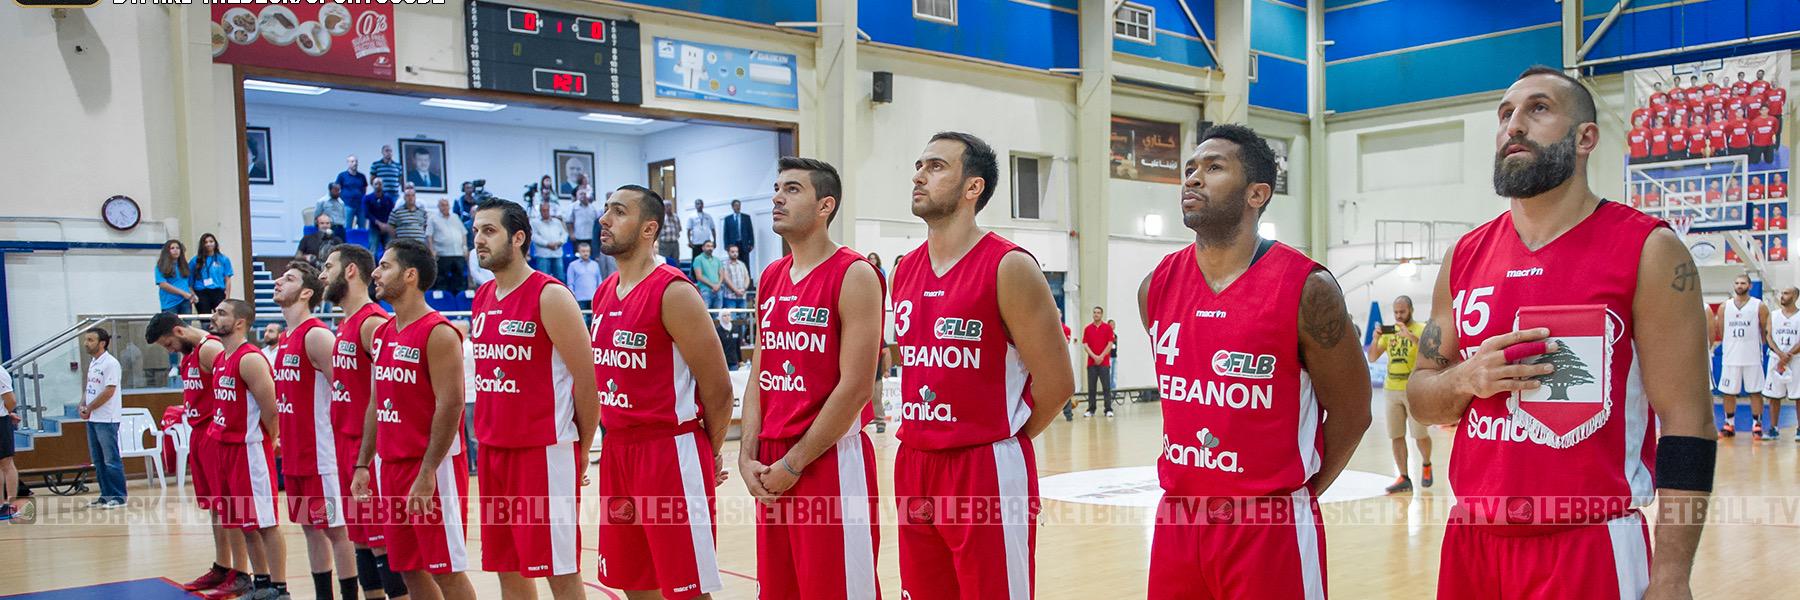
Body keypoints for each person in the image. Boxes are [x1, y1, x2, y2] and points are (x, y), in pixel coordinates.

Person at [1407, 66, 1713, 599]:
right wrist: (1465, 379)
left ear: (1585, 137)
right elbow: (1422, 397)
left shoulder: (1649, 249)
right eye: (1505, 115)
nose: (1514, 126)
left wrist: (1670, 577)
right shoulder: (1464, 256)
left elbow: (1688, 424)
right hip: (1471, 539)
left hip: (1590, 543)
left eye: (1538, 109)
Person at [1136, 124, 1371, 600]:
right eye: (1190, 169)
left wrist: (1296, 495)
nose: (1193, 179)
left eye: (1214, 167)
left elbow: (1352, 411)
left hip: (1268, 524)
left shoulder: (1309, 288)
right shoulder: (1156, 285)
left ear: (1257, 194)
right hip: (1178, 519)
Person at [891, 132, 1075, 599]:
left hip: (982, 464)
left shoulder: (1009, 266)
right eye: (919, 164)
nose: (919, 174)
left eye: (935, 166)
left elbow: (1057, 383)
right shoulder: (904, 269)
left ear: (973, 188)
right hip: (914, 460)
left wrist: (1001, 441)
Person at [737, 156, 883, 599]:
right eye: (777, 188)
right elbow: (759, 371)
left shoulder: (854, 273)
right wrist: (747, 455)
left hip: (829, 461)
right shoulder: (770, 276)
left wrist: (794, 463)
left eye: (793, 189)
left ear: (825, 206)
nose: (777, 197)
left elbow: (856, 387)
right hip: (774, 463)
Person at [589, 184, 734, 599]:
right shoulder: (603, 294)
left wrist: (710, 449)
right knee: (634, 582)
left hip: (668, 453)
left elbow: (719, 388)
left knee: (685, 588)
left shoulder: (674, 291)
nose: (605, 219)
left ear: (649, 228)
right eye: (606, 210)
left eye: (619, 212)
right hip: (618, 450)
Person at [465, 198, 600, 599]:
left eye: (489, 231)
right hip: (492, 451)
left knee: (559, 570)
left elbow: (587, 381)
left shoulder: (550, 295)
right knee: (508, 569)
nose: (479, 241)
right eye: (475, 232)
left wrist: (583, 446)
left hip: (543, 453)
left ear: (519, 237)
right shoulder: (483, 297)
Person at [349, 239, 478, 600]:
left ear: (409, 275)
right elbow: (376, 401)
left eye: (384, 266)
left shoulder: (438, 332)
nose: (375, 272)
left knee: (447, 571)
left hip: (431, 471)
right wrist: (363, 464)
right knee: (407, 568)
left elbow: (451, 406)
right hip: (389, 466)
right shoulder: (383, 333)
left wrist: (425, 474)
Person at [319, 245, 411, 600]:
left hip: (367, 449)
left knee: (381, 543)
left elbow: (390, 389)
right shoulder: (345, 324)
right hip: (345, 444)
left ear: (351, 271)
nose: (323, 274)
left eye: (329, 266)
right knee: (359, 539)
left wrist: (368, 455)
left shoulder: (373, 323)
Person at [270, 262, 362, 600]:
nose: (279, 281)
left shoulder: (317, 335)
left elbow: (347, 392)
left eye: (289, 279)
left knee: (337, 530)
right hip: (295, 454)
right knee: (310, 529)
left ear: (307, 293)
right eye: (281, 278)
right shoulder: (285, 338)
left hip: (322, 454)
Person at [147, 311, 254, 596]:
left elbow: (233, 389)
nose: (169, 350)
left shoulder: (210, 349)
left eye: (168, 344)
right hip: (198, 433)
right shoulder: (190, 354)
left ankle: (241, 573)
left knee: (229, 506)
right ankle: (222, 565)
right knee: (216, 507)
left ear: (179, 332)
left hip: (214, 433)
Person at [209, 299, 292, 600]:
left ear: (240, 322)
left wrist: (270, 441)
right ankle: (262, 583)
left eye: (221, 313)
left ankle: (280, 589)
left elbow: (272, 409)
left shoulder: (250, 359)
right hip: (225, 449)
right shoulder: (221, 358)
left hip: (249, 449)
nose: (214, 317)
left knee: (265, 523)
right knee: (245, 524)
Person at [1365, 296, 1433, 494]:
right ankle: (1404, 477)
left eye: (1402, 312)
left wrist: (1410, 336)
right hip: (1391, 388)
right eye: (1395, 312)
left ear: (1411, 309)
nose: (1398, 316)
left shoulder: (1421, 329)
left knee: (1420, 435)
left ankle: (1426, 464)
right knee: (1396, 435)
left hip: (1414, 388)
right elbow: (1372, 357)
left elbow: (1430, 352)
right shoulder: (1391, 331)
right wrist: (1376, 338)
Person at [78, 327, 127, 508]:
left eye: (90, 340)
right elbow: (90, 387)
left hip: (107, 419)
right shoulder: (93, 362)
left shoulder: (110, 363)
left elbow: (109, 391)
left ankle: (119, 496)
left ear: (102, 343)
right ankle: (105, 495)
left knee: (110, 459)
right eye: (86, 339)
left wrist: (90, 407)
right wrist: (83, 403)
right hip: (93, 418)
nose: (86, 343)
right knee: (98, 460)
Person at [1714, 275, 1767, 435]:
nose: (1739, 285)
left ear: (1750, 286)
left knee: (1755, 391)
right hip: (1731, 357)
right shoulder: (1725, 306)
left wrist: (1759, 345)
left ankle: (1756, 424)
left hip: (1752, 357)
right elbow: (1721, 330)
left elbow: (1764, 329)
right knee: (1728, 392)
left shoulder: (1759, 306)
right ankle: (1729, 424)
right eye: (1736, 283)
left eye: (1743, 283)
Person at [1079, 306, 1116, 418]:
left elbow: (1110, 344)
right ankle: (1091, 409)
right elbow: (1085, 344)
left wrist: (1101, 356)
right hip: (1092, 364)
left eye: (1098, 313)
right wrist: (1094, 356)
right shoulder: (1087, 329)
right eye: (1094, 312)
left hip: (1104, 363)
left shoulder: (1107, 328)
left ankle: (1108, 409)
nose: (1096, 314)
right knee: (1091, 388)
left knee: (1106, 387)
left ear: (1101, 314)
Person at [427, 198, 469, 293]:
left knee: (459, 280)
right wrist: (432, 250)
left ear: (449, 206)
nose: (444, 207)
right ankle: (444, 302)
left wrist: (465, 247)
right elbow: (429, 236)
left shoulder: (455, 217)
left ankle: (458, 302)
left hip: (458, 253)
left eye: (446, 205)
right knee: (442, 281)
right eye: (442, 205)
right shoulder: (433, 218)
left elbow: (463, 233)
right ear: (438, 207)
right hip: (443, 254)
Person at [191, 233, 235, 314]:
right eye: (206, 242)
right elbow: (190, 280)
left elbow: (227, 279)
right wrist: (193, 294)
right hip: (201, 292)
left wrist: (227, 297)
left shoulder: (223, 259)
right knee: (205, 319)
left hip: (218, 291)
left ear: (215, 243)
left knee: (220, 317)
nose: (208, 244)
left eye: (211, 241)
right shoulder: (195, 260)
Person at [158, 239, 200, 314]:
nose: (175, 250)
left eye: (178, 248)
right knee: (171, 325)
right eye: (172, 248)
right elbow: (163, 284)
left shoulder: (184, 266)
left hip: (185, 302)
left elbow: (187, 284)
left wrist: (193, 295)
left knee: (186, 325)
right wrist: (183, 293)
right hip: (170, 303)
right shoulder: (160, 266)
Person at [529, 200, 568, 277]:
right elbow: (533, 236)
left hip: (557, 253)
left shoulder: (557, 222)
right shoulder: (534, 222)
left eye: (547, 210)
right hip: (543, 255)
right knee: (543, 278)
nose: (545, 212)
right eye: (543, 210)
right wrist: (547, 244)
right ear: (540, 211)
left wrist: (560, 242)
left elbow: (564, 234)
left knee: (560, 277)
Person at [565, 241, 602, 311]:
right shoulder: (572, 265)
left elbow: (599, 282)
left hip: (593, 298)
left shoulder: (595, 265)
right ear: (579, 252)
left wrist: (599, 296)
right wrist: (573, 296)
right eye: (583, 251)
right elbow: (570, 283)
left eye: (587, 251)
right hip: (579, 298)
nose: (586, 253)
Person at [366, 178, 396, 255]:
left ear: (383, 185)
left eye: (380, 184)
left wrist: (388, 225)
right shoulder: (367, 198)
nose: (378, 186)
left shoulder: (388, 198)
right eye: (376, 184)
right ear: (372, 185)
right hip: (374, 228)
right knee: (373, 251)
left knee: (389, 251)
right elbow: (367, 213)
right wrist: (379, 224)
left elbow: (393, 212)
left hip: (387, 228)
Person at [339, 156, 369, 231]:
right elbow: (337, 189)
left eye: (356, 161)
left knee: (362, 228)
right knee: (347, 228)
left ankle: (361, 242)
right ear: (348, 163)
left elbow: (364, 189)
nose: (355, 163)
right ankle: (346, 243)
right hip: (347, 205)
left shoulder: (362, 176)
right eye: (352, 161)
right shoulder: (342, 176)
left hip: (360, 206)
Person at [691, 240, 723, 309]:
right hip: (705, 290)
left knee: (717, 315)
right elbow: (699, 276)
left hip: (718, 290)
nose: (710, 248)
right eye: (708, 246)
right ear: (703, 248)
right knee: (706, 313)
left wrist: (718, 285)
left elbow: (722, 274)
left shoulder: (717, 260)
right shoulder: (698, 259)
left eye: (711, 246)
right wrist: (713, 286)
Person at [720, 244, 751, 309]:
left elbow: (747, 277)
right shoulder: (724, 264)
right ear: (728, 252)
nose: (735, 254)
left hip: (742, 296)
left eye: (736, 252)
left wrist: (744, 289)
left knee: (743, 317)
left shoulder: (741, 264)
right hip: (730, 296)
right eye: (732, 252)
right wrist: (736, 290)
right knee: (732, 318)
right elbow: (726, 279)